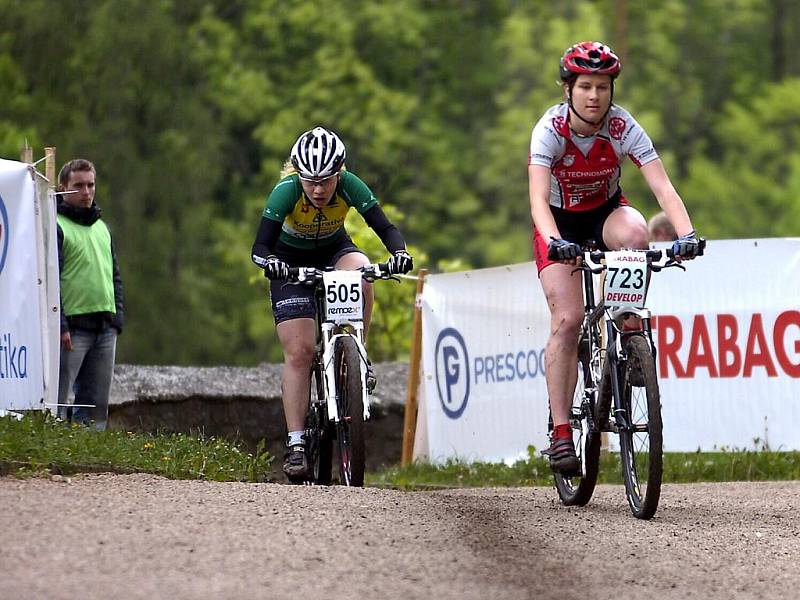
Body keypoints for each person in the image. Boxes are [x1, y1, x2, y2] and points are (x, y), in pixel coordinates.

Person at [527, 41, 701, 474]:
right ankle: (563, 431)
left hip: (605, 216)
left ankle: (628, 326)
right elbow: (536, 200)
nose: (594, 96)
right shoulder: (550, 129)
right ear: (568, 89)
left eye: (603, 87)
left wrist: (687, 234)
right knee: (568, 321)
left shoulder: (623, 127)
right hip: (559, 225)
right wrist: (553, 241)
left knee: (637, 232)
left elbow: (662, 187)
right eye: (585, 85)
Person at [251, 126, 413, 481]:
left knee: (363, 273)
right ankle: (296, 443)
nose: (319, 190)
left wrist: (399, 253)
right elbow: (260, 248)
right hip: (289, 260)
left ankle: (357, 355)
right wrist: (271, 264)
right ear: (299, 175)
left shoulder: (351, 185)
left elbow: (384, 228)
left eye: (327, 180)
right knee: (300, 351)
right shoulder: (285, 192)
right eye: (311, 181)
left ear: (340, 172)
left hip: (334, 250)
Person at [56, 159, 124, 431]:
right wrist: (59, 324)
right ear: (63, 188)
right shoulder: (57, 226)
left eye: (91, 184)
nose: (86, 191)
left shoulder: (102, 229)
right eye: (79, 186)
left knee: (96, 408)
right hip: (72, 329)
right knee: (58, 401)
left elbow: (114, 276)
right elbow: (50, 282)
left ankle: (90, 456)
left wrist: (117, 319)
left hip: (104, 328)